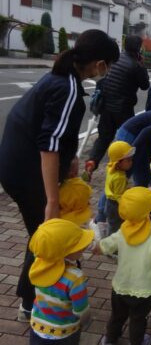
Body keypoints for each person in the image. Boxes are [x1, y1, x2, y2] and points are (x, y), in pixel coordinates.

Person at [0, 30, 119, 322]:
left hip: (15, 166)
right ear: (100, 64)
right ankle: (32, 305)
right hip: (27, 172)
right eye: (110, 66)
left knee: (40, 236)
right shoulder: (67, 88)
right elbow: (49, 145)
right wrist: (52, 200)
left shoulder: (59, 79)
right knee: (49, 237)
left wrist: (73, 157)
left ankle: (28, 298)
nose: (109, 71)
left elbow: (53, 134)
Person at [94, 187, 151, 345]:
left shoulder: (122, 232)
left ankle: (110, 340)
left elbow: (106, 245)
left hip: (120, 287)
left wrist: (98, 247)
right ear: (148, 213)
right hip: (143, 291)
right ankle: (137, 342)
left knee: (117, 316)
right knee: (138, 319)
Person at [86, 35, 150, 177]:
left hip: (107, 107)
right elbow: (145, 85)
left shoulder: (114, 59)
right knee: (127, 142)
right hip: (124, 110)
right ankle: (121, 174)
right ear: (138, 48)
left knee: (103, 138)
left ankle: (92, 162)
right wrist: (142, 65)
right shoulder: (135, 65)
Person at [29, 219, 94, 344]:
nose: (83, 247)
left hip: (37, 327)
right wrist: (86, 321)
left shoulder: (37, 264)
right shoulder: (75, 277)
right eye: (78, 246)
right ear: (62, 252)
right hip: (65, 332)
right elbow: (81, 310)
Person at [105, 141, 135, 235]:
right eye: (128, 160)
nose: (131, 162)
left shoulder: (111, 168)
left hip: (109, 202)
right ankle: (112, 247)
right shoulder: (120, 177)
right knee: (116, 228)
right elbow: (119, 197)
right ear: (118, 162)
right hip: (115, 206)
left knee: (112, 225)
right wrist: (127, 209)